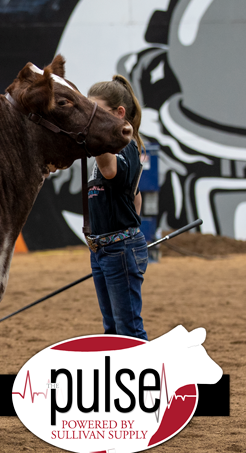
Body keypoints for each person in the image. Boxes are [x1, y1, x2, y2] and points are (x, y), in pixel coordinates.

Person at [86, 75, 148, 341]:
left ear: (119, 113)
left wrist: (127, 242)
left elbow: (110, 171)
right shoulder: (110, 147)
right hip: (104, 249)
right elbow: (136, 197)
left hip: (118, 249)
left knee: (129, 330)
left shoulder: (125, 145)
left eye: (96, 111)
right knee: (113, 330)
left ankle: (148, 381)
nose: (90, 118)